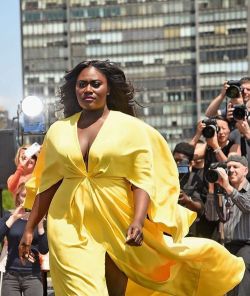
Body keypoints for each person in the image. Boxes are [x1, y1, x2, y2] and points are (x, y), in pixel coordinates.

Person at [18, 60, 244, 296]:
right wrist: (30, 227)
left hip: (118, 217)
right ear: (75, 89)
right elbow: (48, 184)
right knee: (79, 290)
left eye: (95, 84)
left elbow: (141, 179)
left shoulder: (131, 128)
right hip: (67, 220)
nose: (88, 89)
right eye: (82, 84)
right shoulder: (58, 131)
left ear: (108, 89)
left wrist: (137, 220)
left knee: (119, 289)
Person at [207, 155, 250, 296]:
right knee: (228, 289)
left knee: (241, 288)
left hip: (246, 246)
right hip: (227, 245)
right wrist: (212, 189)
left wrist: (227, 187)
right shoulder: (223, 191)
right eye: (229, 167)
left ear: (246, 170)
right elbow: (211, 216)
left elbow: (247, 206)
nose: (231, 170)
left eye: (235, 167)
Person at [0, 183, 48, 296]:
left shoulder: (39, 219)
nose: (26, 199)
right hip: (10, 276)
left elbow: (44, 250)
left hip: (33, 276)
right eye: (23, 195)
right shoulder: (9, 217)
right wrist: (13, 218)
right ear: (17, 197)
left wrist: (40, 225)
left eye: (30, 196)